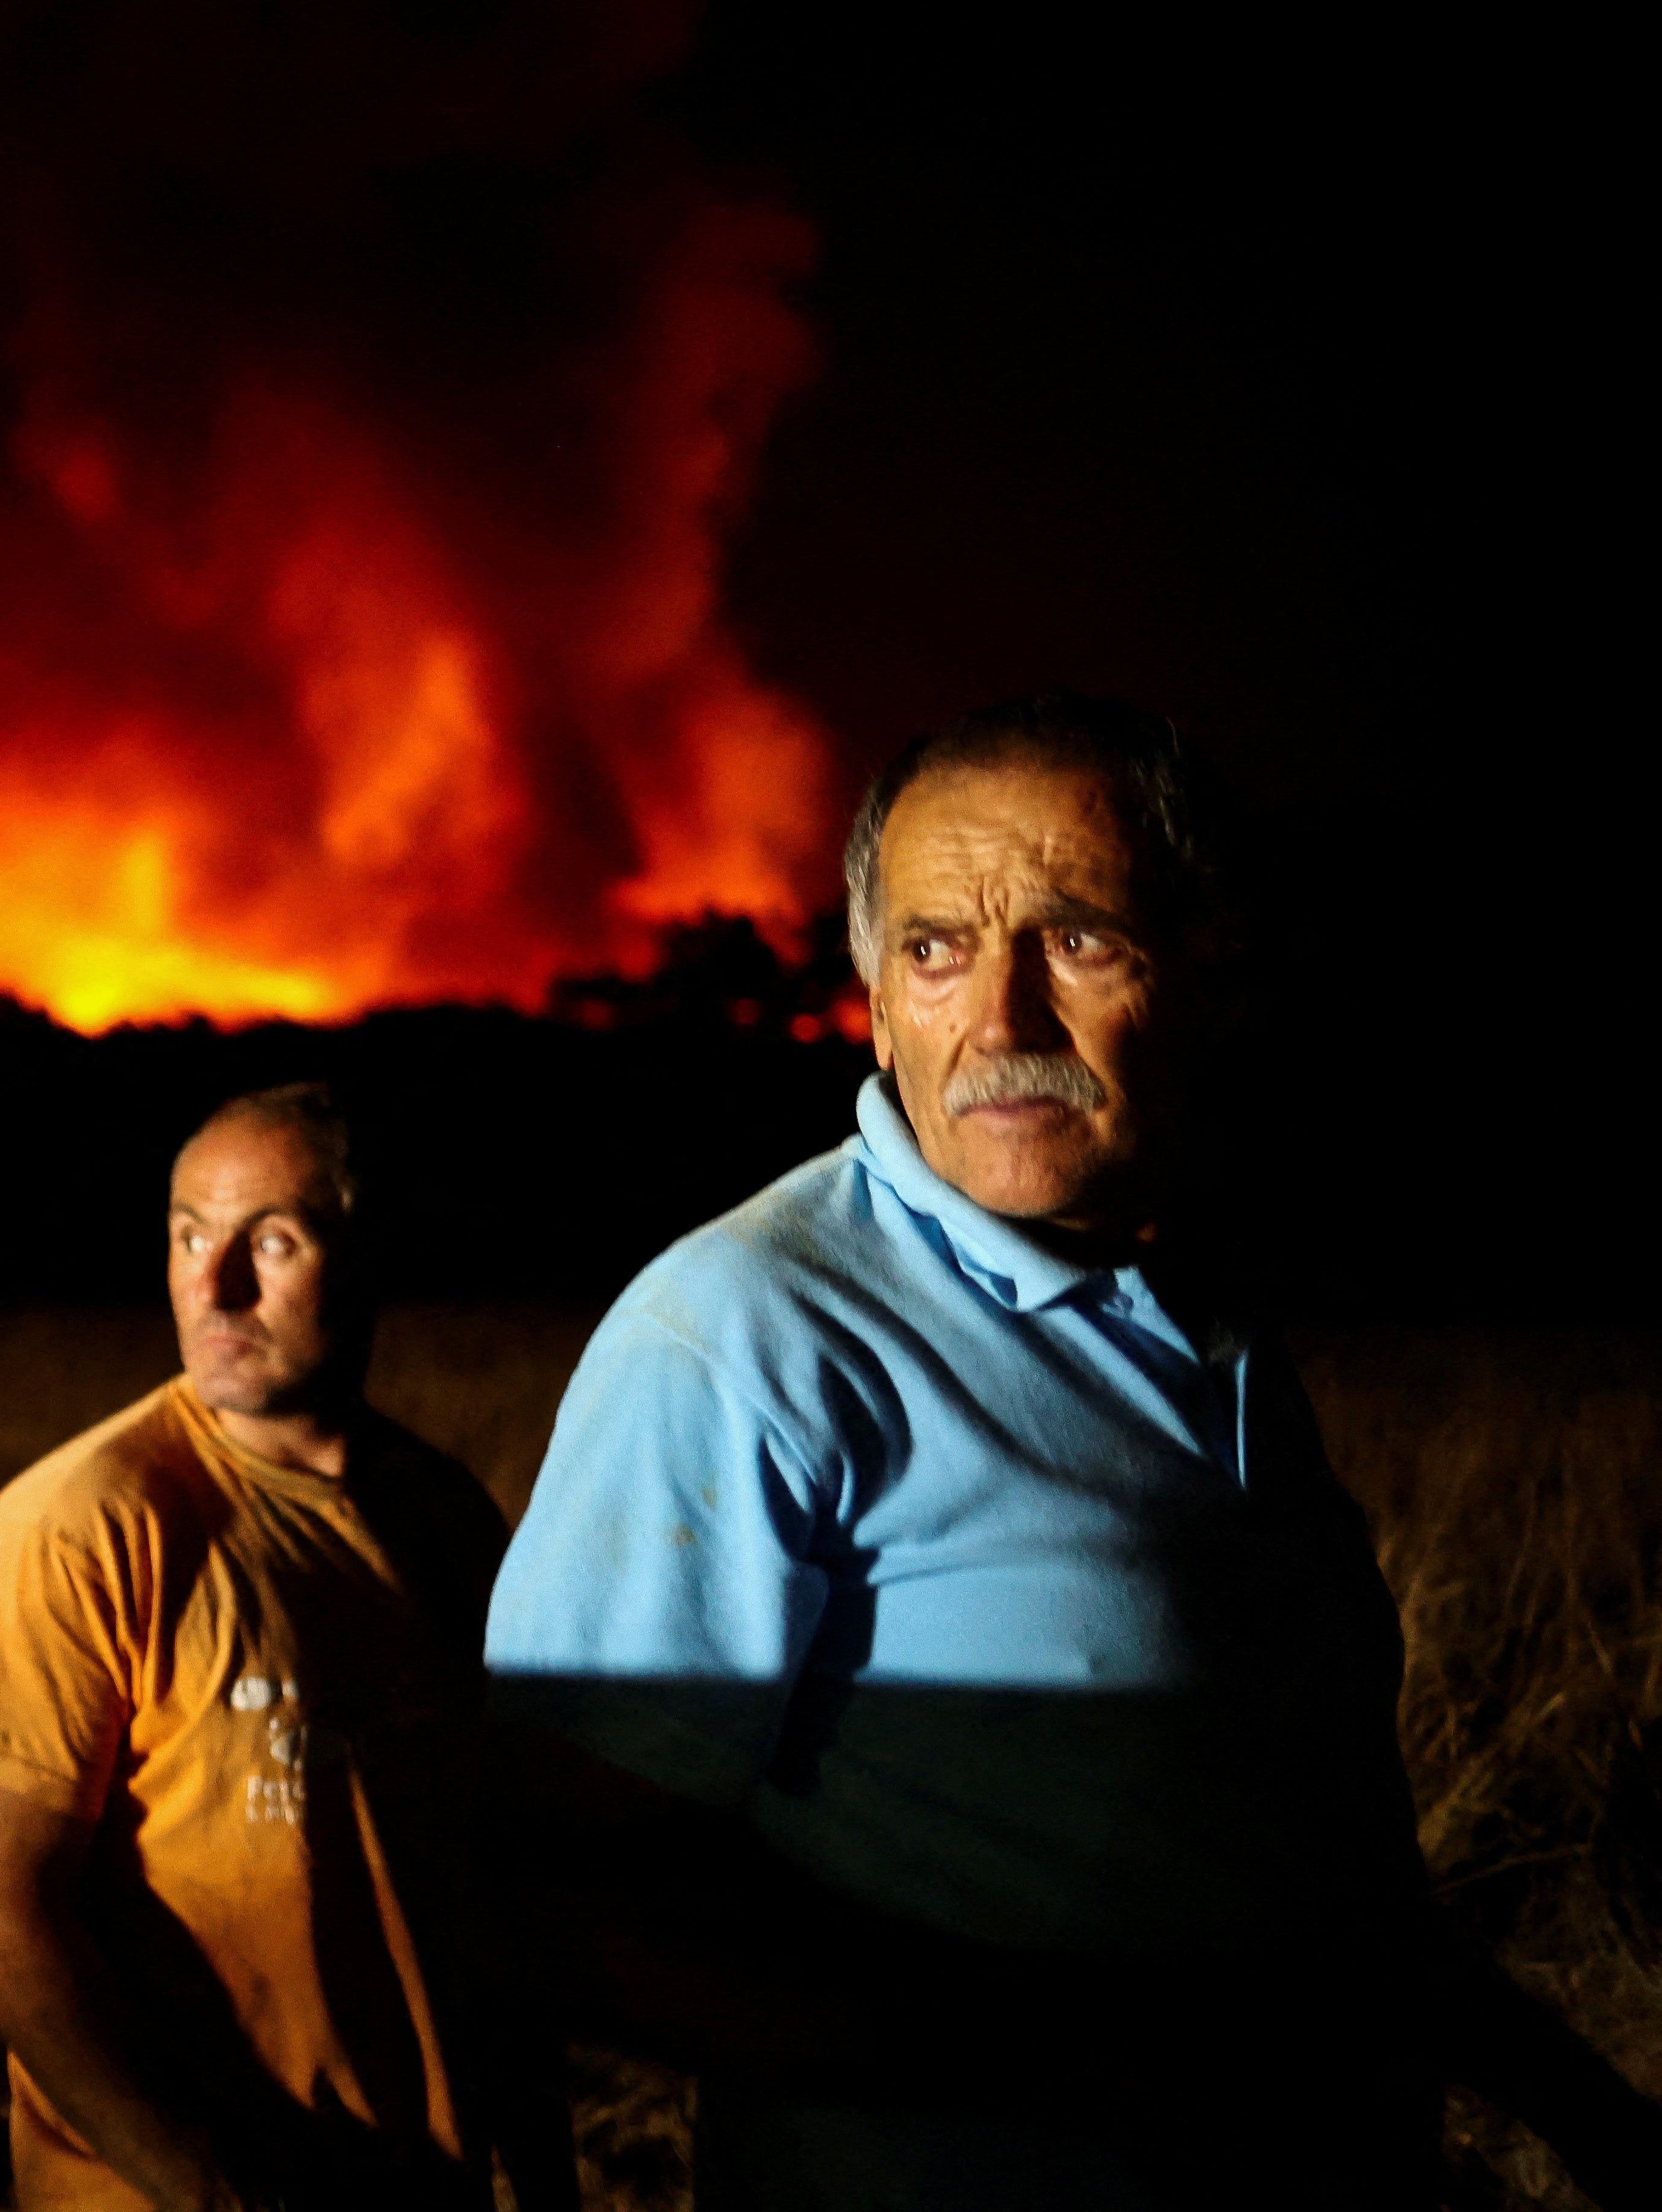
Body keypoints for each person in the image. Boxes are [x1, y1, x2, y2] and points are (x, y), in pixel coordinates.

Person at [482, 692, 1658, 2208]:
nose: (1002, 1023)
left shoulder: (1202, 1309)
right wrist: (1070, 2075)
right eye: (936, 950)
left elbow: (1307, 1848)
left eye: (1078, 939)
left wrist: (1576, 2104)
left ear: (1209, 963)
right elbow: (551, 1888)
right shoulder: (749, 1336)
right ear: (873, 994)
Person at [0, 1084, 561, 2210]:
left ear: (368, 1257)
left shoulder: (444, 1518)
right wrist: (212, 2190)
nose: (216, 1285)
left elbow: (494, 1889)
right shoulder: (85, 1527)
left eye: (272, 1241)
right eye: (188, 1236)